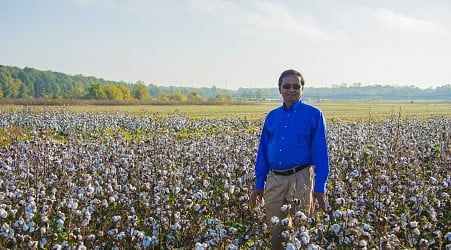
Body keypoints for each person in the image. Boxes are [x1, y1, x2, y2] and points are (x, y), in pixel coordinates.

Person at [251, 69, 329, 249]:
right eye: (287, 86)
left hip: (300, 178)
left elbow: (320, 153)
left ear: (302, 89)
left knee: (299, 232)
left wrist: (319, 187)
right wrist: (259, 184)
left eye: (296, 86)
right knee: (275, 230)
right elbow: (263, 152)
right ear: (279, 89)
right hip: (275, 179)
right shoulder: (272, 117)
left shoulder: (314, 115)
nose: (291, 90)